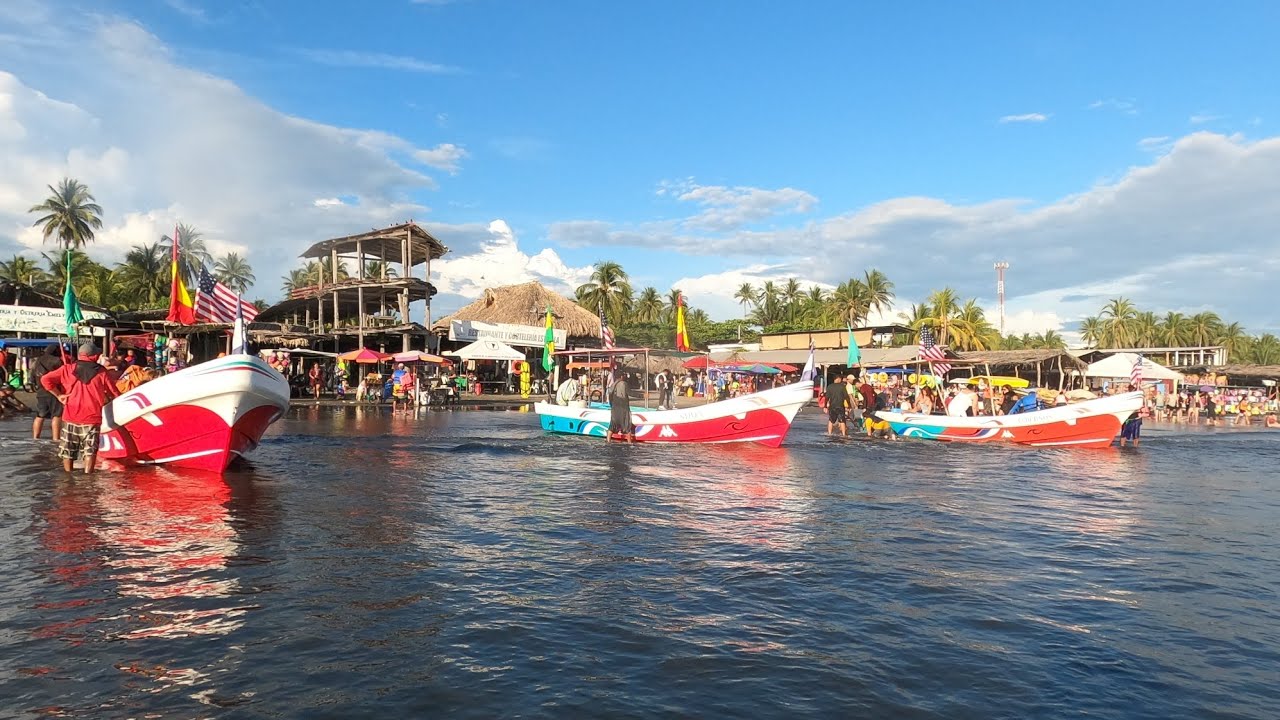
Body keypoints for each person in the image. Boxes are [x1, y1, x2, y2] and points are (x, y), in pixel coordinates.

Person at [41, 342, 118, 474]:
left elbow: (45, 380)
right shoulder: (102, 372)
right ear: (93, 356)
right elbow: (114, 393)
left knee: (68, 449)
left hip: (70, 416)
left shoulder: (67, 369)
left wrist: (59, 395)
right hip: (92, 418)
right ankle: (88, 478)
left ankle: (68, 476)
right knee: (90, 451)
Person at [30, 343, 65, 442]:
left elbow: (32, 377)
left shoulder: (37, 361)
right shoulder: (57, 360)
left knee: (40, 415)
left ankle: (35, 438)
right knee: (57, 415)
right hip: (54, 390)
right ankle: (56, 439)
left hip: (41, 391)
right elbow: (62, 375)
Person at [608, 371, 635, 442]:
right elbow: (630, 393)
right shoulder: (624, 384)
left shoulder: (613, 385)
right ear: (621, 376)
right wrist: (642, 396)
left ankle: (608, 441)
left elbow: (610, 396)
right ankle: (629, 443)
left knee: (612, 425)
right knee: (626, 425)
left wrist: (611, 405)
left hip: (614, 408)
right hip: (623, 407)